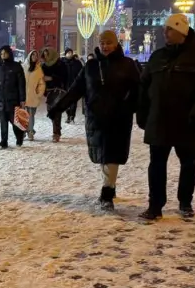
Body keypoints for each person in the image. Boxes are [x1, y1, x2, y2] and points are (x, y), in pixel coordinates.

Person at [48, 31, 140, 211]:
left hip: (118, 118)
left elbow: (139, 91)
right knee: (102, 156)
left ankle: (106, 193)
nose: (105, 46)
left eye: (109, 43)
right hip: (96, 118)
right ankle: (110, 186)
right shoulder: (90, 66)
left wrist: (130, 107)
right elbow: (76, 90)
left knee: (112, 155)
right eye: (102, 42)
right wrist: (58, 108)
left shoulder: (127, 65)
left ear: (116, 44)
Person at [137, 13, 195, 220]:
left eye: (169, 29)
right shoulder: (157, 56)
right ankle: (155, 205)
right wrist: (142, 113)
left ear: (182, 31)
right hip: (159, 119)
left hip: (187, 121)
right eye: (165, 29)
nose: (165, 32)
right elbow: (144, 87)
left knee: (188, 164)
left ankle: (185, 201)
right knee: (156, 165)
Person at [0, 45, 27, 148]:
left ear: (9, 53)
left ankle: (19, 138)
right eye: (1, 53)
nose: (3, 55)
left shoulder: (16, 66)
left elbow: (21, 84)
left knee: (15, 122)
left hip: (13, 100)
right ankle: (4, 142)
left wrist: (22, 99)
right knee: (3, 123)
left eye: (5, 53)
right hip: (1, 99)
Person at [41, 47, 69, 142]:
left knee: (56, 111)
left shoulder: (60, 64)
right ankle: (57, 128)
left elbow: (65, 77)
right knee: (51, 112)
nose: (45, 56)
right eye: (44, 54)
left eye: (47, 54)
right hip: (49, 91)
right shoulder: (44, 65)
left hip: (58, 90)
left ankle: (56, 133)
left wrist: (52, 78)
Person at [23, 49, 45, 140]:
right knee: (22, 115)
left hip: (33, 97)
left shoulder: (39, 69)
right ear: (29, 56)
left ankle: (30, 131)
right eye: (33, 55)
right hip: (23, 96)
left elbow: (41, 83)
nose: (34, 57)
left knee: (31, 115)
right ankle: (26, 131)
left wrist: (39, 94)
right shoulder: (23, 67)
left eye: (36, 56)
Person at [63, 48, 83, 123]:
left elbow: (81, 72)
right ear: (65, 54)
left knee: (73, 102)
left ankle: (72, 117)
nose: (69, 54)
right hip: (65, 86)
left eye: (70, 52)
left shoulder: (77, 62)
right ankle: (68, 115)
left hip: (75, 86)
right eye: (68, 52)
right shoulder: (62, 62)